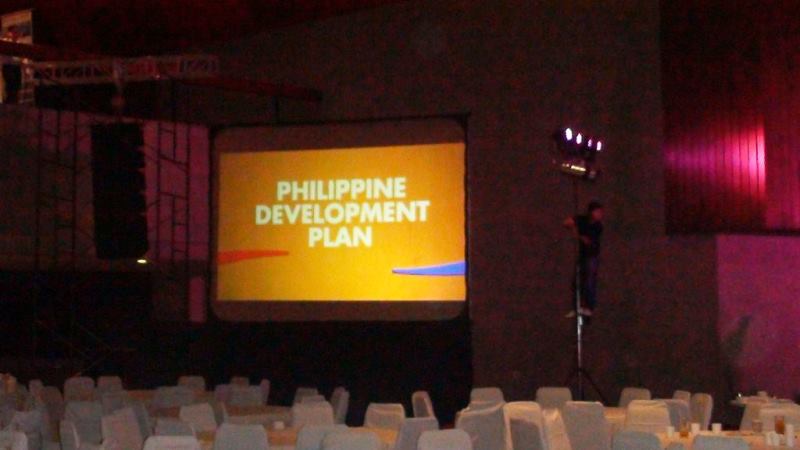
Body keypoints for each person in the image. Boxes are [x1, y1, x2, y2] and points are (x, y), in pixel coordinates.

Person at [563, 201, 604, 317]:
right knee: (577, 282)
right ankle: (577, 307)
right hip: (582, 256)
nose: (600, 215)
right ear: (591, 212)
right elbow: (566, 222)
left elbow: (587, 241)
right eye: (598, 212)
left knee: (589, 282)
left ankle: (588, 308)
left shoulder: (598, 226)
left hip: (592, 257)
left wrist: (577, 234)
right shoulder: (582, 219)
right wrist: (574, 227)